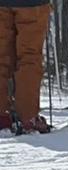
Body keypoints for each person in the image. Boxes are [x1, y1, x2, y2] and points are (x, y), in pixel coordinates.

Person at [0, 0, 51, 133]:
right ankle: (28, 116)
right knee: (30, 57)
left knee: (2, 57)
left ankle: (2, 114)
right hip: (32, 5)